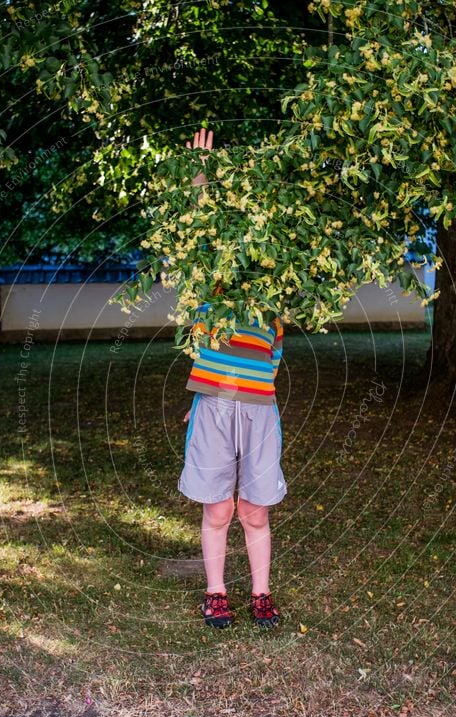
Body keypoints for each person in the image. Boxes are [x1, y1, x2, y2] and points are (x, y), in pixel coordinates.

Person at [177, 127, 287, 629]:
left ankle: (261, 594)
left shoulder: (279, 286)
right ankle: (216, 591)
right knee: (218, 510)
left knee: (255, 511)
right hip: (214, 405)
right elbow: (200, 229)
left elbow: (273, 357)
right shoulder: (213, 277)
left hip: (260, 410)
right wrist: (200, 176)